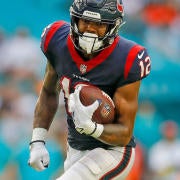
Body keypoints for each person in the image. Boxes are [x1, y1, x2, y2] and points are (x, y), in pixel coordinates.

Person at [28, 0, 151, 179]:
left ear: (113, 26)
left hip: (113, 151)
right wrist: (37, 140)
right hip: (75, 148)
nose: (91, 29)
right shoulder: (57, 40)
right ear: (74, 19)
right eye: (85, 21)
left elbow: (125, 133)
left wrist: (93, 128)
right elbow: (48, 92)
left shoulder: (128, 57)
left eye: (100, 24)